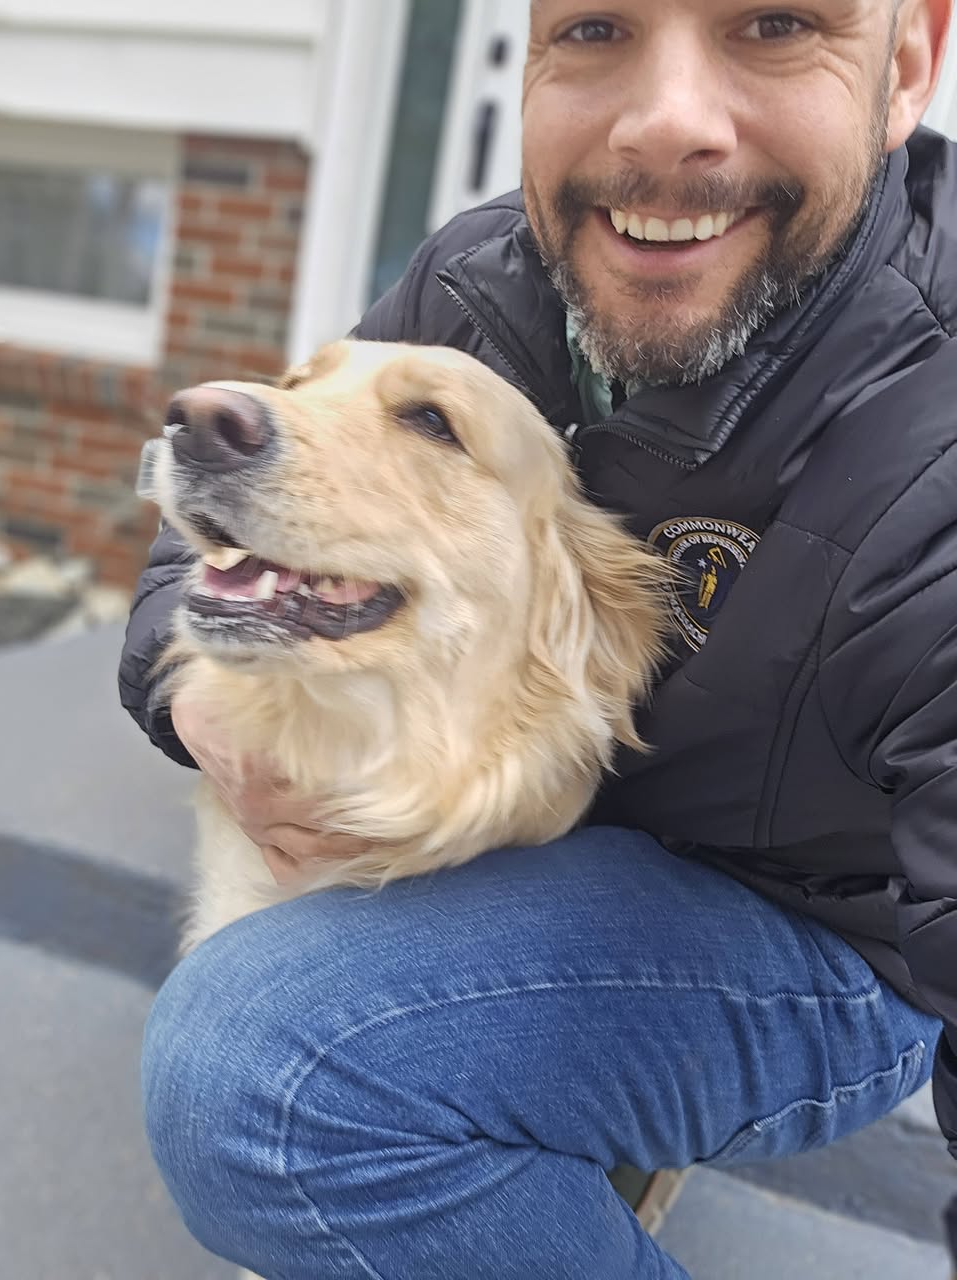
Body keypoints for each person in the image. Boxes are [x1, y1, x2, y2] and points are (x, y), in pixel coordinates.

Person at [123, 2, 957, 1276]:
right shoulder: (481, 276)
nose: (666, 117)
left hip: (826, 929)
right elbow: (240, 507)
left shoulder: (935, 443)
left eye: (776, 22)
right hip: (567, 837)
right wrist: (189, 704)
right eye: (595, 25)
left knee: (266, 1070)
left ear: (906, 64)